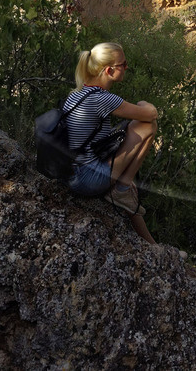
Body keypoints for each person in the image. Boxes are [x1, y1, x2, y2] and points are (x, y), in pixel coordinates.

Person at [65, 41, 158, 242]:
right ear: (109, 70)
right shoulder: (102, 99)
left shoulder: (77, 94)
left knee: (125, 189)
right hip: (88, 179)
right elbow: (150, 114)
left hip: (73, 173)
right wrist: (144, 103)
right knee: (148, 126)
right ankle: (122, 188)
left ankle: (153, 246)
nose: (126, 67)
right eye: (123, 64)